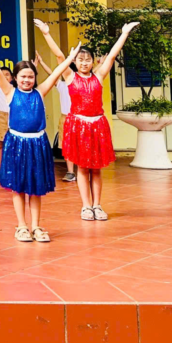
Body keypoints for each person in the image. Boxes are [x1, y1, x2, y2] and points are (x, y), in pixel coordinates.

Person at [0, 38, 81, 243]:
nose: (27, 80)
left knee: (36, 188)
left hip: (37, 144)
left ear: (35, 78)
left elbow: (57, 72)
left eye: (30, 76)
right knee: (19, 187)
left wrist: (70, 58)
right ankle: (22, 226)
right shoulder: (10, 92)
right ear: (15, 78)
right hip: (17, 144)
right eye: (23, 76)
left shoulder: (40, 92)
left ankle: (36, 226)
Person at [34, 18, 139, 222]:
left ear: (93, 61)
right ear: (74, 62)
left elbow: (112, 56)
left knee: (96, 169)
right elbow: (59, 55)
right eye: (80, 59)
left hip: (97, 125)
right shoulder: (69, 76)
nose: (84, 63)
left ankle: (97, 205)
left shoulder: (99, 76)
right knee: (82, 168)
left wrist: (124, 33)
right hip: (78, 126)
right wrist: (46, 33)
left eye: (87, 59)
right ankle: (86, 206)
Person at [37, 51, 77, 182]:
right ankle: (70, 172)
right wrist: (42, 62)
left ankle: (84, 170)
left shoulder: (81, 85)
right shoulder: (62, 85)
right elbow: (52, 74)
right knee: (67, 146)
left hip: (79, 118)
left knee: (82, 145)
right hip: (66, 118)